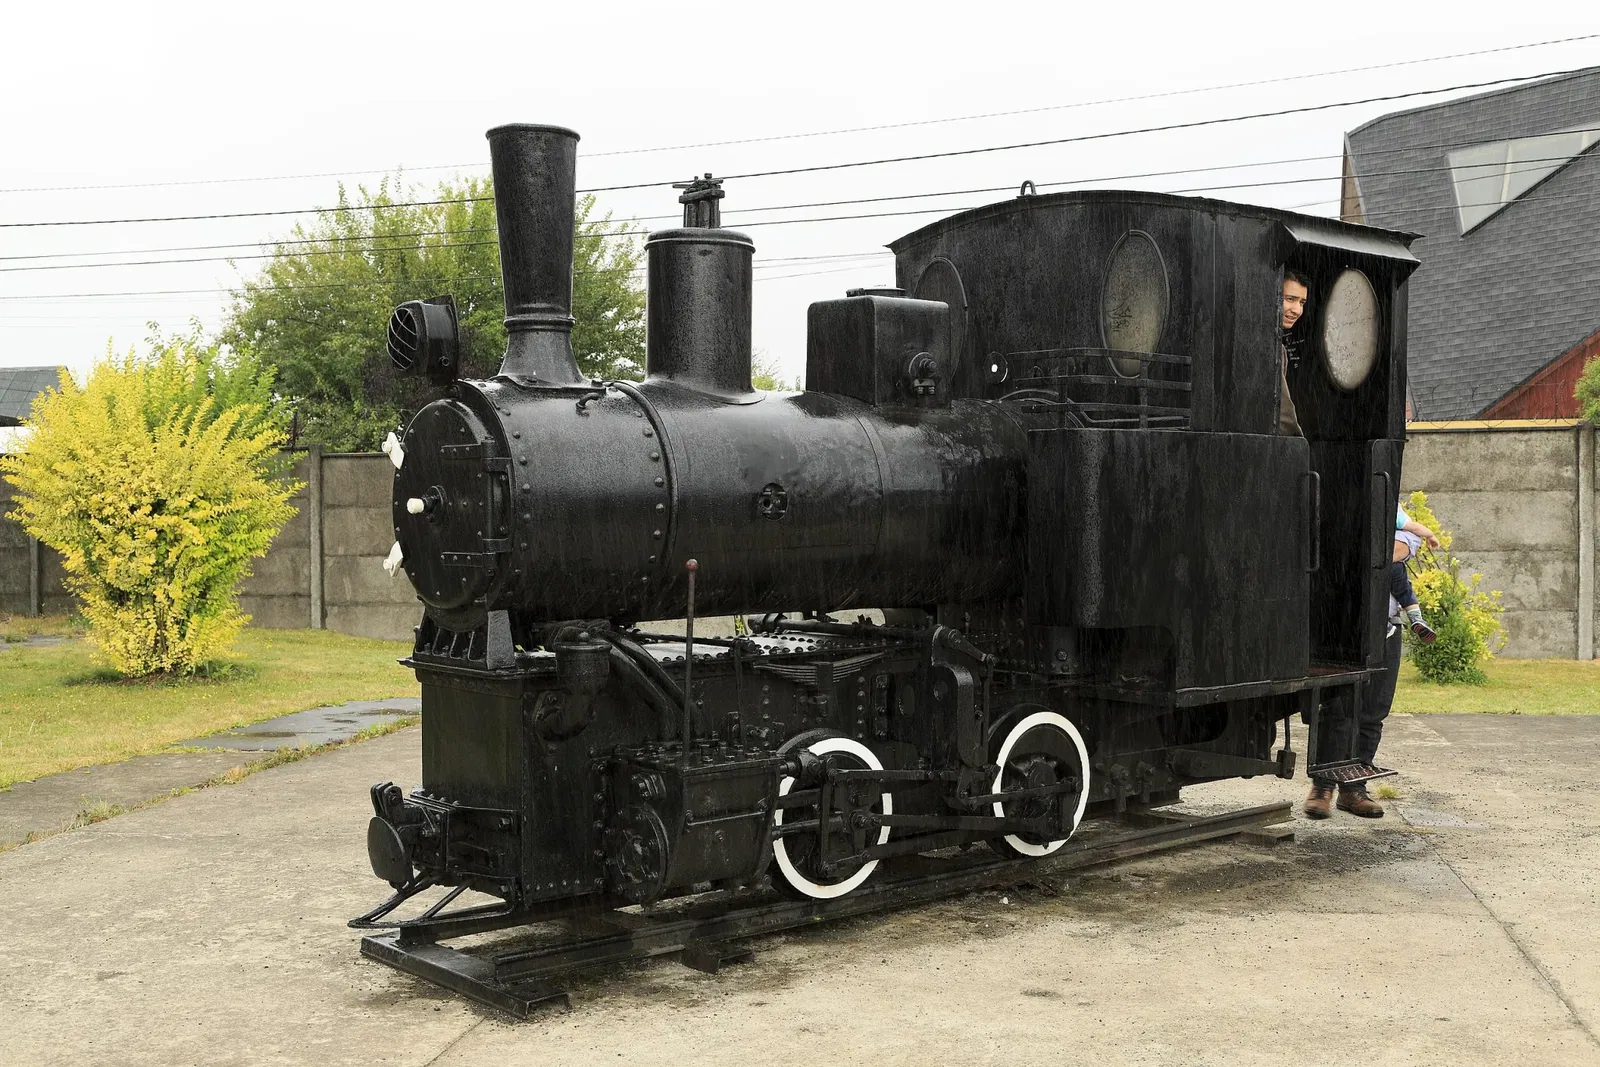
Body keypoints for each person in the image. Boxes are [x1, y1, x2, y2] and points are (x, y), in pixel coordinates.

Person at [1393, 508, 1441, 644]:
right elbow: (1413, 527)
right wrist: (1430, 535)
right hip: (1391, 566)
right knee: (1404, 590)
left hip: (1372, 564)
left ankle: (1382, 624)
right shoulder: (1392, 515)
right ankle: (1416, 618)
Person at [1278, 270, 1310, 436]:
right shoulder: (1273, 347)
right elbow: (1283, 412)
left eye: (1302, 302)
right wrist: (1297, 443)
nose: (1297, 310)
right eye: (1290, 299)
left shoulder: (1279, 346)